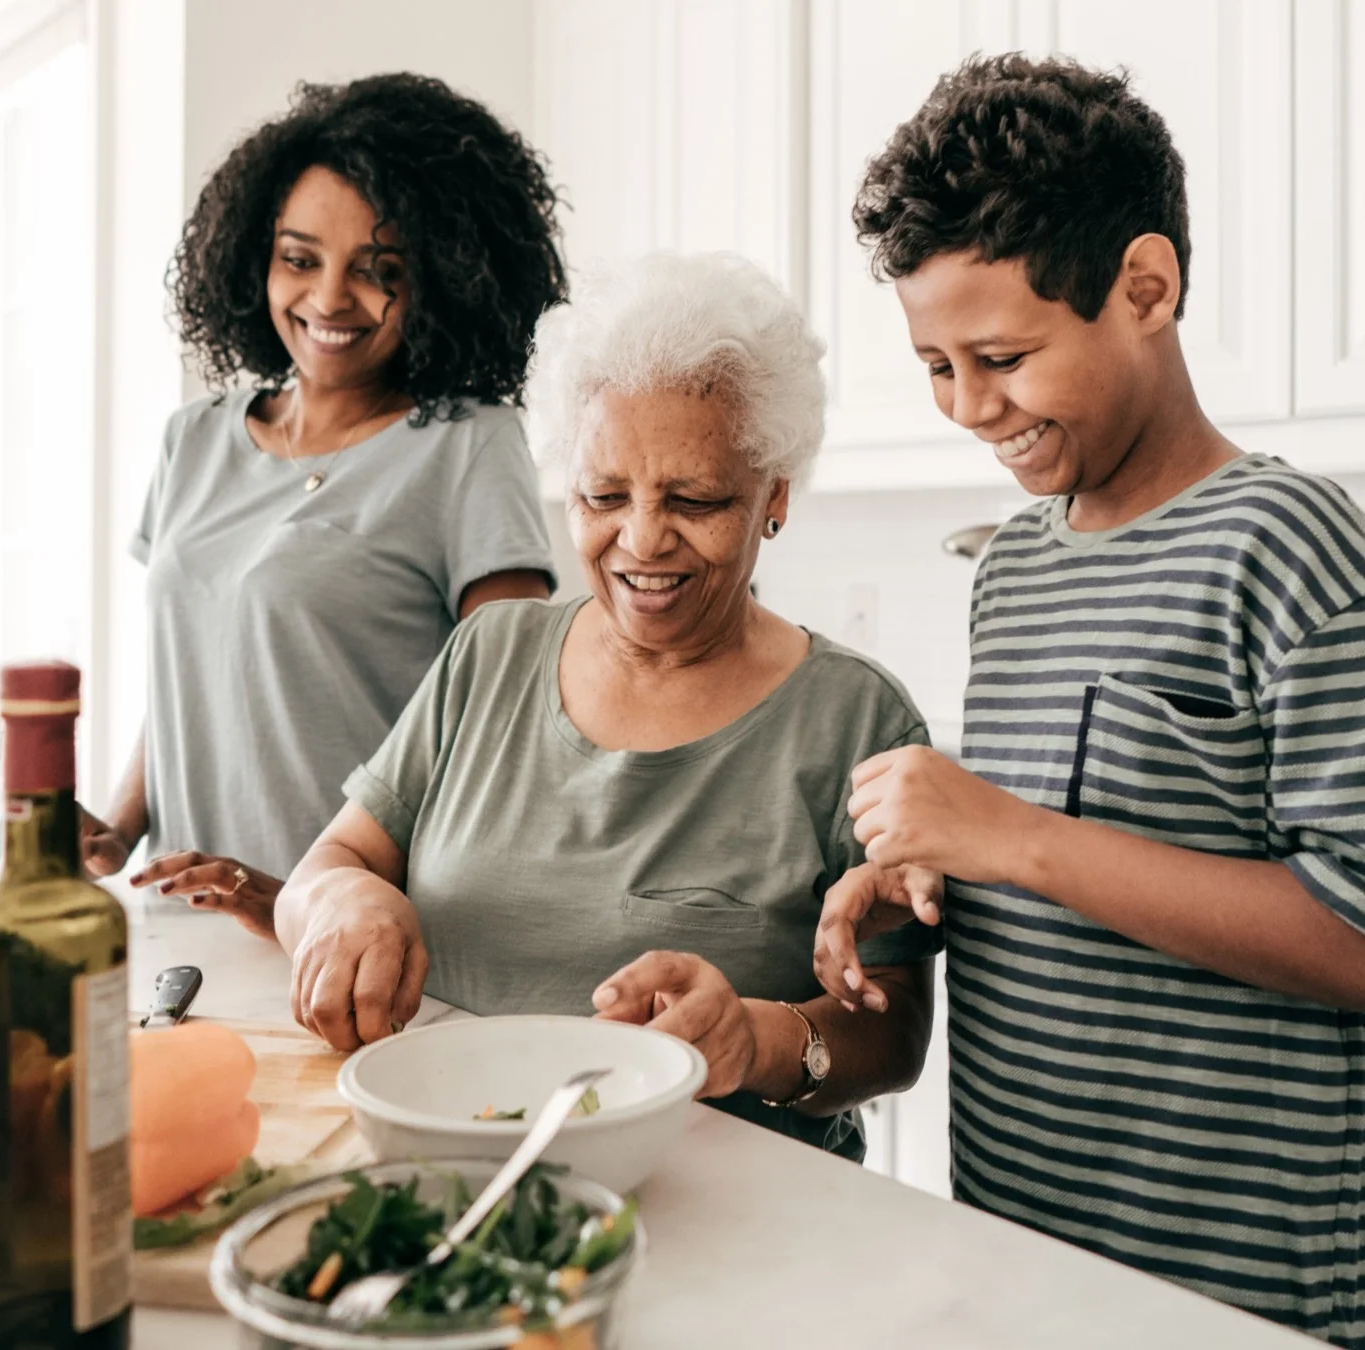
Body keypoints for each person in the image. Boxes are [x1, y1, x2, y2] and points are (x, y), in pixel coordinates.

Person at [816, 55, 1365, 1348]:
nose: (970, 408)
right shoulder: (1011, 564)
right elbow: (1091, 852)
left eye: (1003, 355)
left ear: (1146, 288)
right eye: (936, 365)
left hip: (1242, 1293)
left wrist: (1009, 837)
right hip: (1028, 1253)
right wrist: (932, 872)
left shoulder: (1291, 550)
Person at [275, 253, 939, 1159]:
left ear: (772, 496)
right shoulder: (489, 654)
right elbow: (333, 860)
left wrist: (758, 1038)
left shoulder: (855, 720)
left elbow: (894, 1037)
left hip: (732, 1215)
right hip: (456, 1176)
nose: (640, 540)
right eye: (603, 495)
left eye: (695, 499)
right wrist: (344, 903)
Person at [85, 75, 564, 922]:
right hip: (181, 926)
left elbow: (505, 730)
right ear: (254, 258)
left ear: (447, 276)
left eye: (378, 270)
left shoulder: (469, 446)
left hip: (356, 939)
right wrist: (117, 832)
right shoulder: (191, 439)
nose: (330, 299)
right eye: (299, 259)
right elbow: (195, 671)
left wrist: (314, 897)